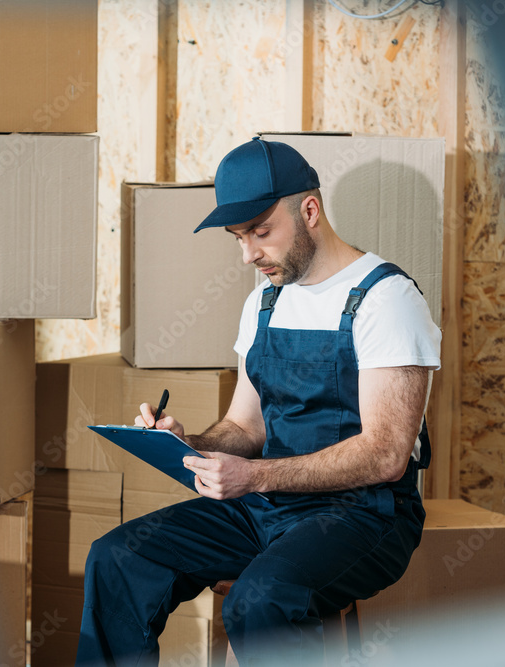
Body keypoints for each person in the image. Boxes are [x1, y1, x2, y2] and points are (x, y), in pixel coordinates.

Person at [76, 138, 442, 666]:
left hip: (365, 516)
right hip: (268, 507)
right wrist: (187, 442)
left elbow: (385, 455)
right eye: (239, 237)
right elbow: (244, 429)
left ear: (309, 210)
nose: (248, 254)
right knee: (117, 559)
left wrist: (256, 478)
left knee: (262, 599)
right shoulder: (264, 302)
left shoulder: (386, 299)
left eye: (260, 232)